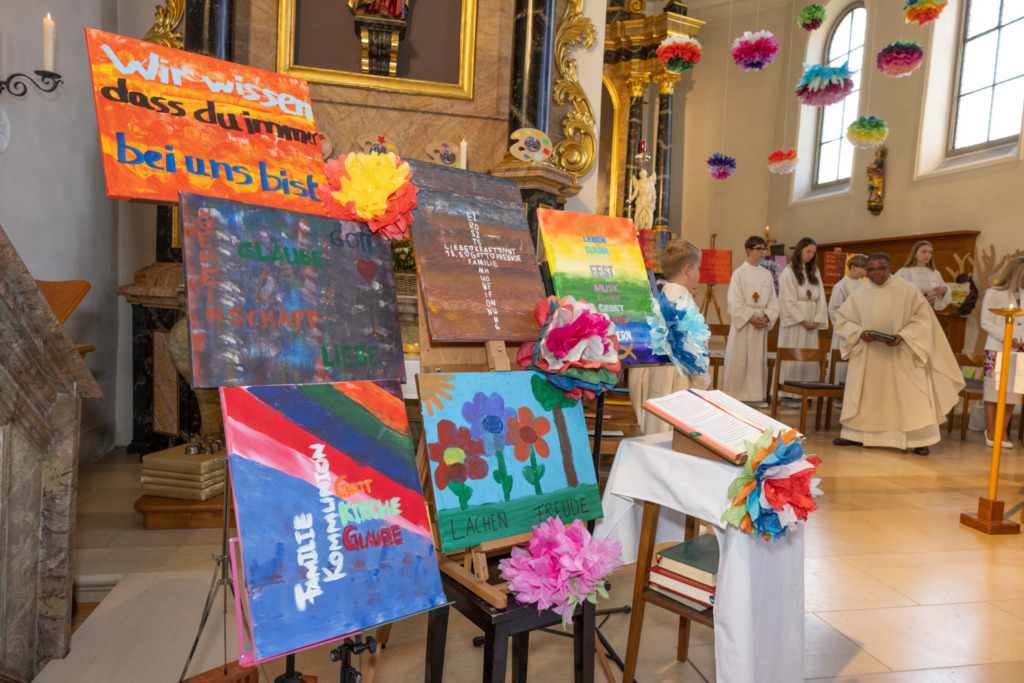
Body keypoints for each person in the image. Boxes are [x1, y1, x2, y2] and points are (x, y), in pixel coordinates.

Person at [833, 253, 964, 455]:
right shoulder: (860, 293)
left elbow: (923, 319)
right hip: (870, 354)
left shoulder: (907, 290)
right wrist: (860, 333)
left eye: (881, 269)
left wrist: (904, 336)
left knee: (911, 396)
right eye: (871, 270)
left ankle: (919, 439)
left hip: (902, 353)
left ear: (890, 268)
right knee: (868, 394)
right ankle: (858, 435)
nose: (876, 273)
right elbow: (842, 319)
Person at [629, 239, 710, 434]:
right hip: (678, 383)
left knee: (655, 434)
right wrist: (705, 383)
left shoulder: (657, 299)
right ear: (687, 269)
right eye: (698, 267)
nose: (699, 273)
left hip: (654, 378)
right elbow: (694, 354)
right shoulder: (685, 305)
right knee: (673, 439)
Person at [721, 236, 779, 405]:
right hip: (744, 326)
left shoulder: (767, 275)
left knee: (756, 361)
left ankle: (754, 396)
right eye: (759, 249)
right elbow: (734, 301)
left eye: (764, 249)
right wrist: (750, 318)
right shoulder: (739, 273)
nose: (762, 252)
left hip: (759, 326)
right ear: (748, 250)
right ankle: (735, 395)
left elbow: (773, 302)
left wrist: (767, 317)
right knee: (739, 361)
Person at [979, 256, 1024, 448]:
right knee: (994, 392)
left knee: (1012, 393)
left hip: (1019, 350)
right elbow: (986, 321)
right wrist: (1007, 337)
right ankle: (991, 431)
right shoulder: (995, 292)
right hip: (997, 348)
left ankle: (1002, 430)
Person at [778, 237, 828, 401]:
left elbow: (820, 297)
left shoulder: (815, 271)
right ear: (799, 250)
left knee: (808, 356)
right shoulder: (789, 271)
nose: (810, 255)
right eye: (808, 251)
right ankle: (788, 393)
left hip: (811, 320)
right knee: (794, 352)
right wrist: (801, 320)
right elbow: (787, 300)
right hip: (796, 323)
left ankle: (806, 392)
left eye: (813, 252)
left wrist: (817, 319)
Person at [827, 254, 868, 384]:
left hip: (860, 328)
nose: (866, 271)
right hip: (845, 329)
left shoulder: (865, 285)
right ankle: (837, 389)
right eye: (864, 268)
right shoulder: (841, 286)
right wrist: (844, 325)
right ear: (854, 267)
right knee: (841, 359)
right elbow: (834, 309)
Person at [896, 240, 951, 311]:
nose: (927, 255)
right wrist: (919, 300)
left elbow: (944, 290)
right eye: (924, 252)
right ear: (915, 254)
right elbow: (897, 293)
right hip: (910, 311)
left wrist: (944, 290)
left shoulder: (935, 273)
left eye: (930, 252)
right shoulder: (904, 272)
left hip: (929, 311)